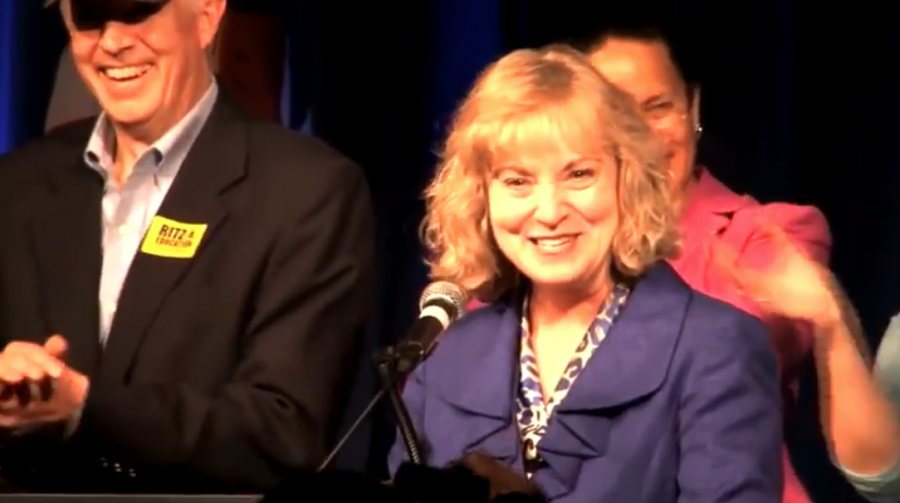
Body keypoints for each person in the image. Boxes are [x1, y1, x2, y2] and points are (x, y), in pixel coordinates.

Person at [0, 0, 374, 493]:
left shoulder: (307, 192)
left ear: (207, 15)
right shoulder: (17, 185)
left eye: (136, 10)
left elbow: (283, 432)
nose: (113, 41)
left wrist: (83, 406)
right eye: (90, 16)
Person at [389, 45, 782, 503]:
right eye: (517, 181)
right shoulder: (444, 357)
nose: (550, 211)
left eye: (578, 174)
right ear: (482, 197)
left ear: (626, 179)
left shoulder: (716, 347)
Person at [564, 13, 900, 503]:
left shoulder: (765, 235)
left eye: (658, 108)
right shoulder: (539, 248)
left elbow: (878, 470)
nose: (638, 136)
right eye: (613, 115)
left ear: (693, 107)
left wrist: (829, 320)